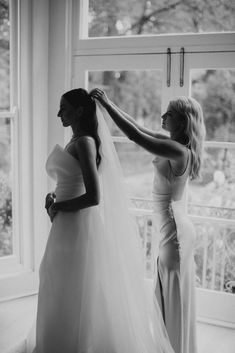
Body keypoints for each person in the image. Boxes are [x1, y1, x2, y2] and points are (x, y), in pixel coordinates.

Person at [33, 88, 175, 353]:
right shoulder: (74, 140)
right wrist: (53, 195)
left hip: (76, 224)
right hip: (64, 221)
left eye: (63, 108)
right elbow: (70, 180)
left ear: (79, 111)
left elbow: (94, 196)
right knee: (55, 280)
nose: (58, 113)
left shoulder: (85, 142)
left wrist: (59, 205)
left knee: (73, 284)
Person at [91, 88, 206, 353]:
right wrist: (111, 104)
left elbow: (134, 136)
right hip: (174, 227)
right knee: (169, 294)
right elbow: (137, 127)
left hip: (174, 232)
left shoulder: (177, 150)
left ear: (182, 121)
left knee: (172, 296)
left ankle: (173, 349)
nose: (163, 115)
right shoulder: (174, 145)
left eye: (170, 113)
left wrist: (107, 106)